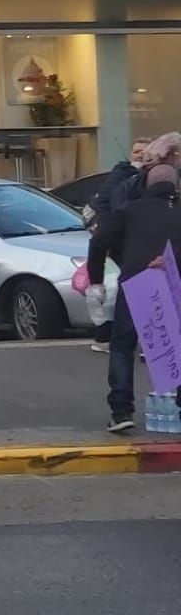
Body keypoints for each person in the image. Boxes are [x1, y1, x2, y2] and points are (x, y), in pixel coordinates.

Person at [88, 162, 181, 433]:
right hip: (174, 280)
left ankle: (121, 411)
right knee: (175, 344)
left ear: (147, 185)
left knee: (122, 346)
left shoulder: (129, 209)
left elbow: (99, 241)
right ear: (175, 186)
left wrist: (96, 282)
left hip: (138, 279)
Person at [88, 137, 151, 352]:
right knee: (126, 291)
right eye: (137, 151)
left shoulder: (151, 176)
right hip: (123, 241)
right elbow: (102, 205)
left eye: (145, 151)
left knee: (126, 291)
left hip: (136, 240)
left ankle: (114, 339)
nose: (141, 155)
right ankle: (111, 339)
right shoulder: (121, 176)